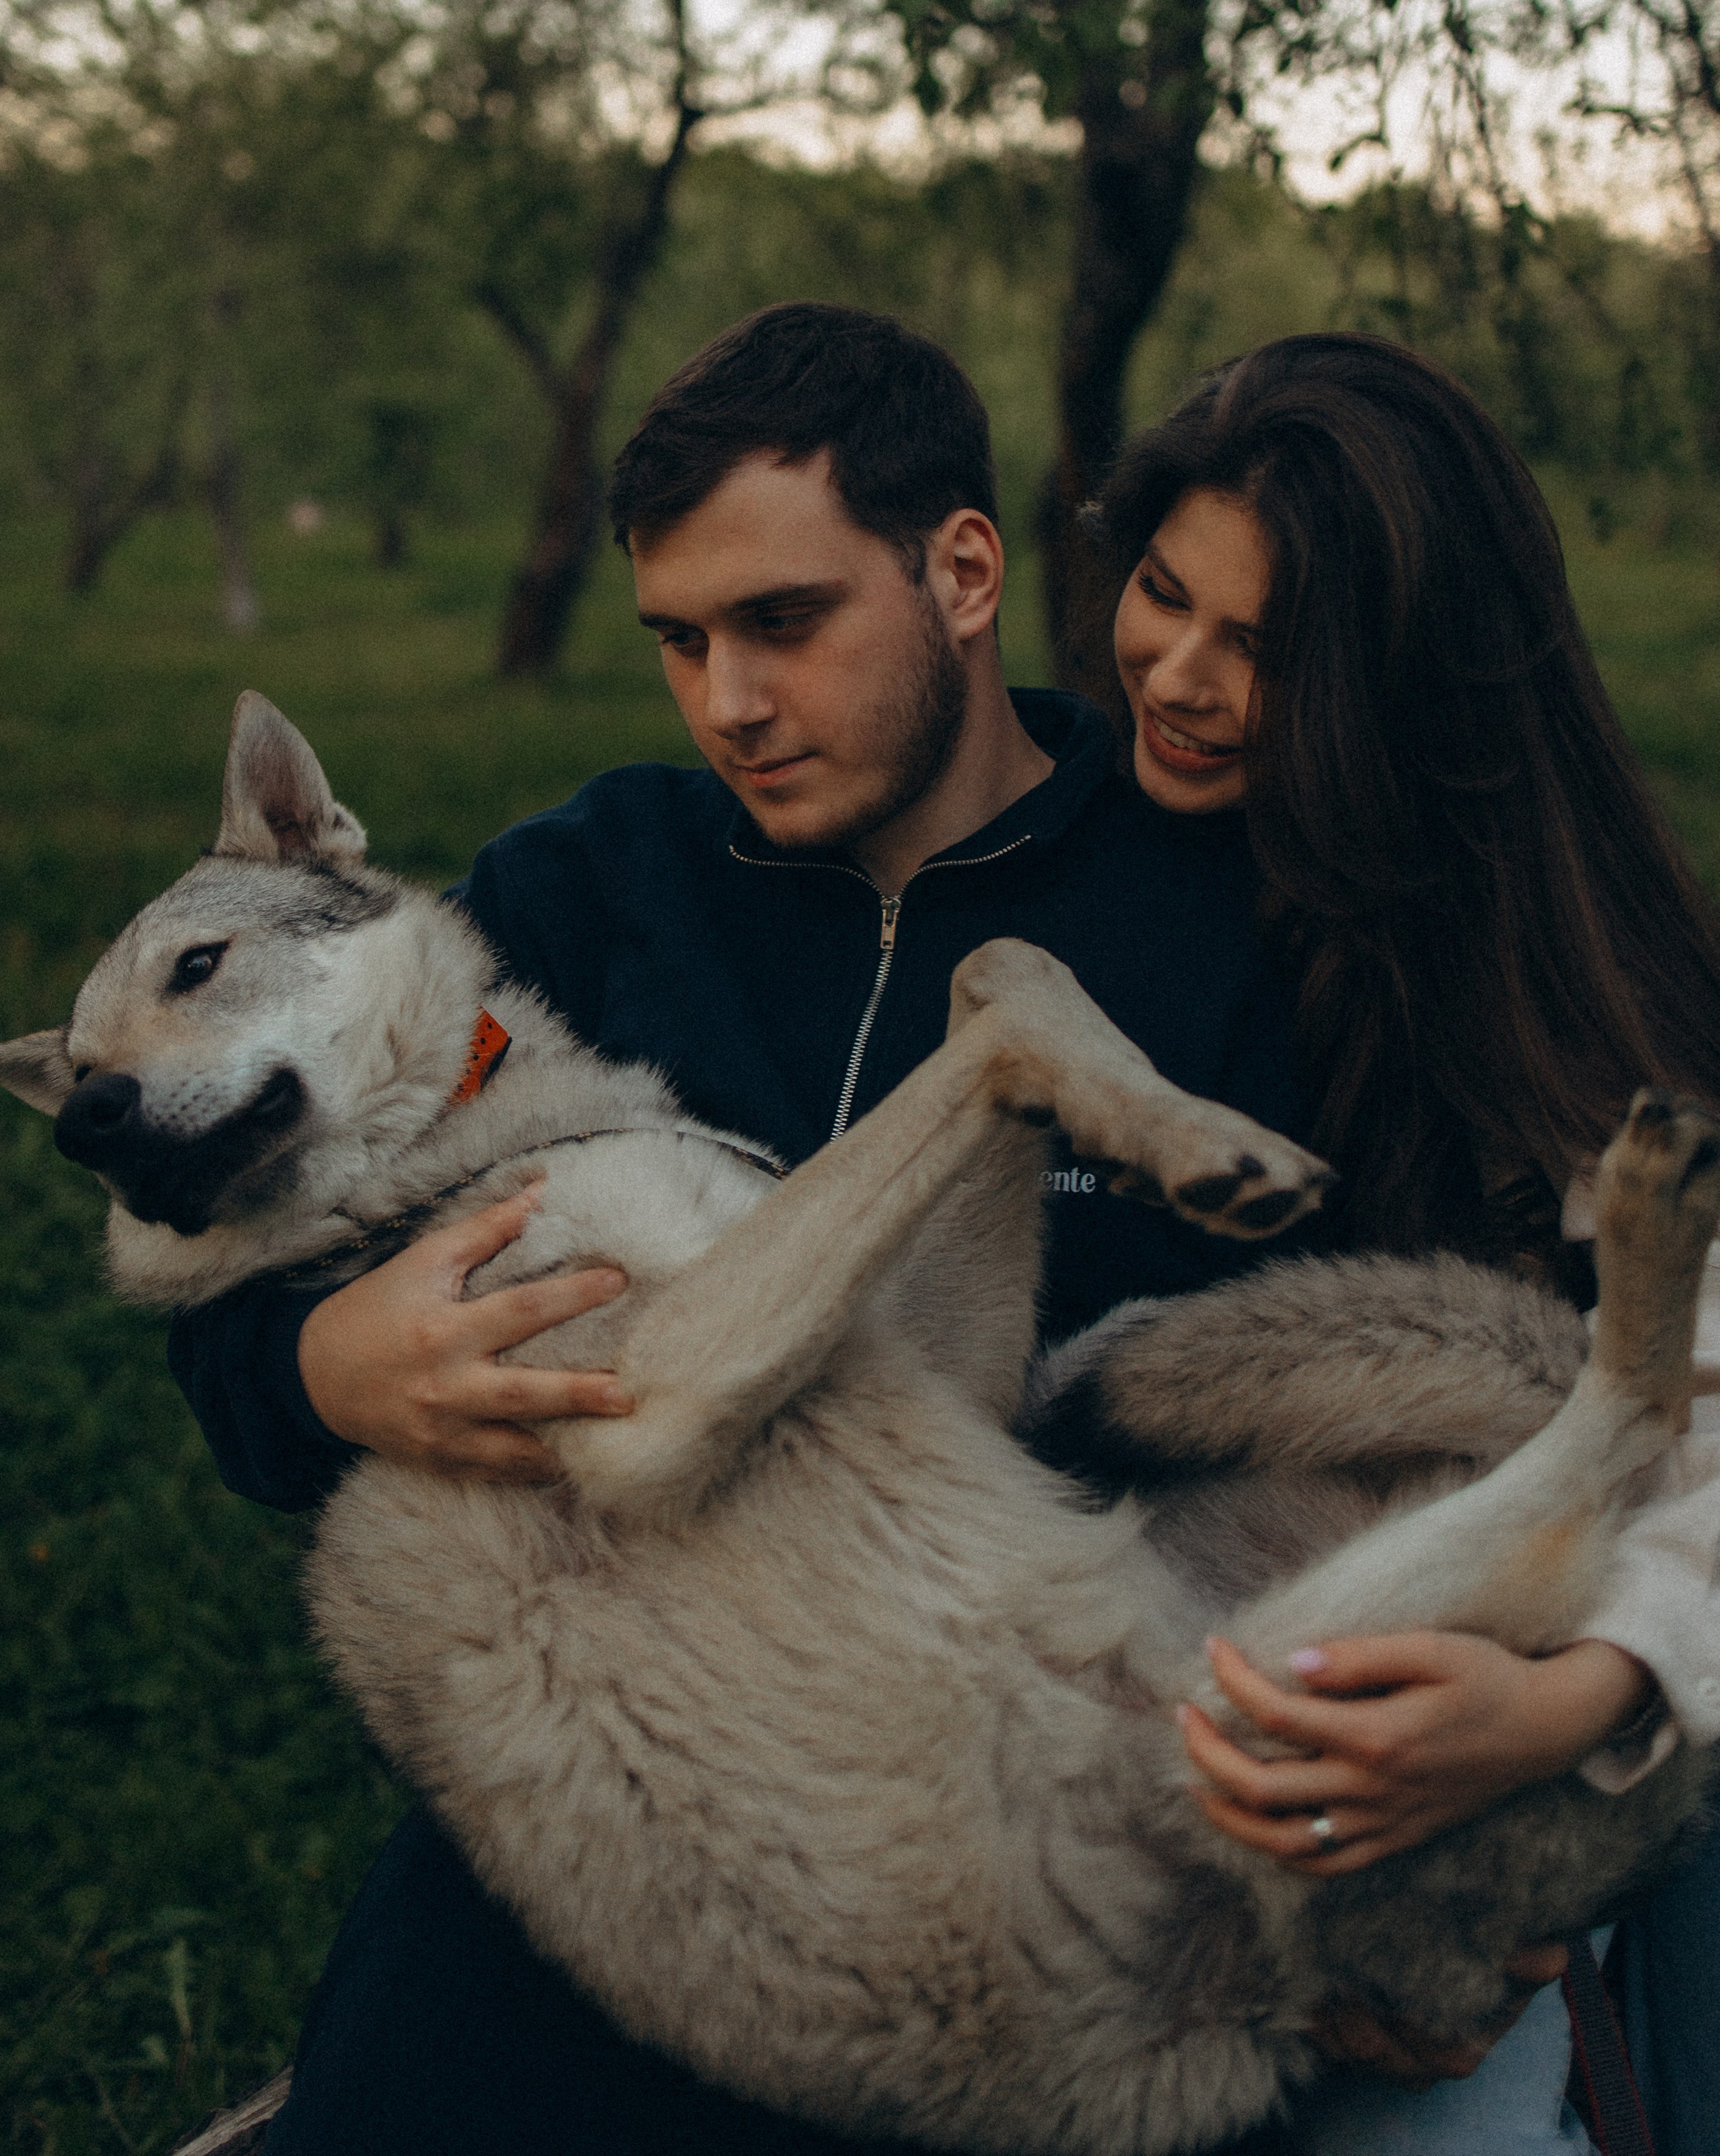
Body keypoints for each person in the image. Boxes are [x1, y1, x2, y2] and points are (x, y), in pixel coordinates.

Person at [169, 304, 1320, 2154]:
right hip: (609, 1757)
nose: (726, 704)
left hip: (1012, 1781)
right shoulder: (587, 886)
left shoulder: (1217, 910)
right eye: (679, 642)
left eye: (781, 624)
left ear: (957, 570)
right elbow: (237, 1320)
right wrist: (326, 1365)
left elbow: (1283, 1384)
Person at [1081, 332, 1720, 2154]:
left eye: (1267, 653)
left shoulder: (1551, 1007)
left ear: (1403, 687)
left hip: (1497, 1720)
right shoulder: (1085, 876)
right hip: (1162, 1744)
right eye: (1157, 595)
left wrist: (1566, 1710)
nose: (1181, 680)